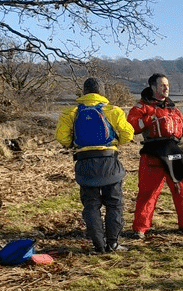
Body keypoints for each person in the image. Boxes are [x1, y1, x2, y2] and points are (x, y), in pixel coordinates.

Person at [55, 78, 134, 253]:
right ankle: (113, 243)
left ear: (84, 92)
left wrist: (70, 144)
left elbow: (62, 138)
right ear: (102, 92)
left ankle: (98, 245)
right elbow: (128, 134)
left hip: (85, 162)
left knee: (91, 205)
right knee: (114, 203)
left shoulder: (71, 113)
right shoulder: (112, 111)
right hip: (109, 162)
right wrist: (117, 142)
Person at [127, 73, 183, 237]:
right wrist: (149, 120)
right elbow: (131, 127)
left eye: (168, 85)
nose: (166, 88)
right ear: (153, 87)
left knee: (179, 189)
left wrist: (179, 130)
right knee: (147, 192)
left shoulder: (173, 107)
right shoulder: (141, 107)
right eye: (162, 85)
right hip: (152, 153)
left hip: (172, 151)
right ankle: (140, 228)